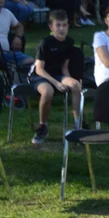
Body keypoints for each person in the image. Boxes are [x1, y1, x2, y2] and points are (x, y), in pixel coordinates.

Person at [30, 10, 82, 144]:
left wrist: (71, 81)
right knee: (48, 91)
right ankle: (43, 126)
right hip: (40, 75)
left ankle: (78, 125)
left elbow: (64, 67)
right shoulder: (45, 43)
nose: (61, 29)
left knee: (76, 85)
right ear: (51, 27)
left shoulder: (69, 42)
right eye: (58, 25)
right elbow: (39, 69)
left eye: (64, 25)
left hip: (58, 74)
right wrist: (56, 83)